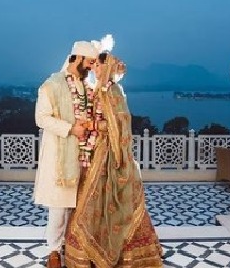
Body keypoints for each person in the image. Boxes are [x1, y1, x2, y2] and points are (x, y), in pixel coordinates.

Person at [64, 47, 163, 268]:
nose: (95, 69)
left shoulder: (112, 91)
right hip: (96, 152)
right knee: (90, 203)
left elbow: (118, 124)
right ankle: (89, 254)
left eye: (98, 65)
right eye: (94, 65)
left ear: (107, 67)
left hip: (110, 155)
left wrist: (91, 125)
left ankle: (125, 256)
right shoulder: (100, 89)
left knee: (109, 204)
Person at [34, 40, 99, 268]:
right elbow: (41, 118)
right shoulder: (52, 84)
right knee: (59, 207)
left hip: (84, 154)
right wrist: (71, 128)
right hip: (60, 157)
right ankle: (53, 251)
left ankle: (73, 247)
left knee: (79, 206)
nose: (91, 67)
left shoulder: (87, 87)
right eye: (89, 62)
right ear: (77, 58)